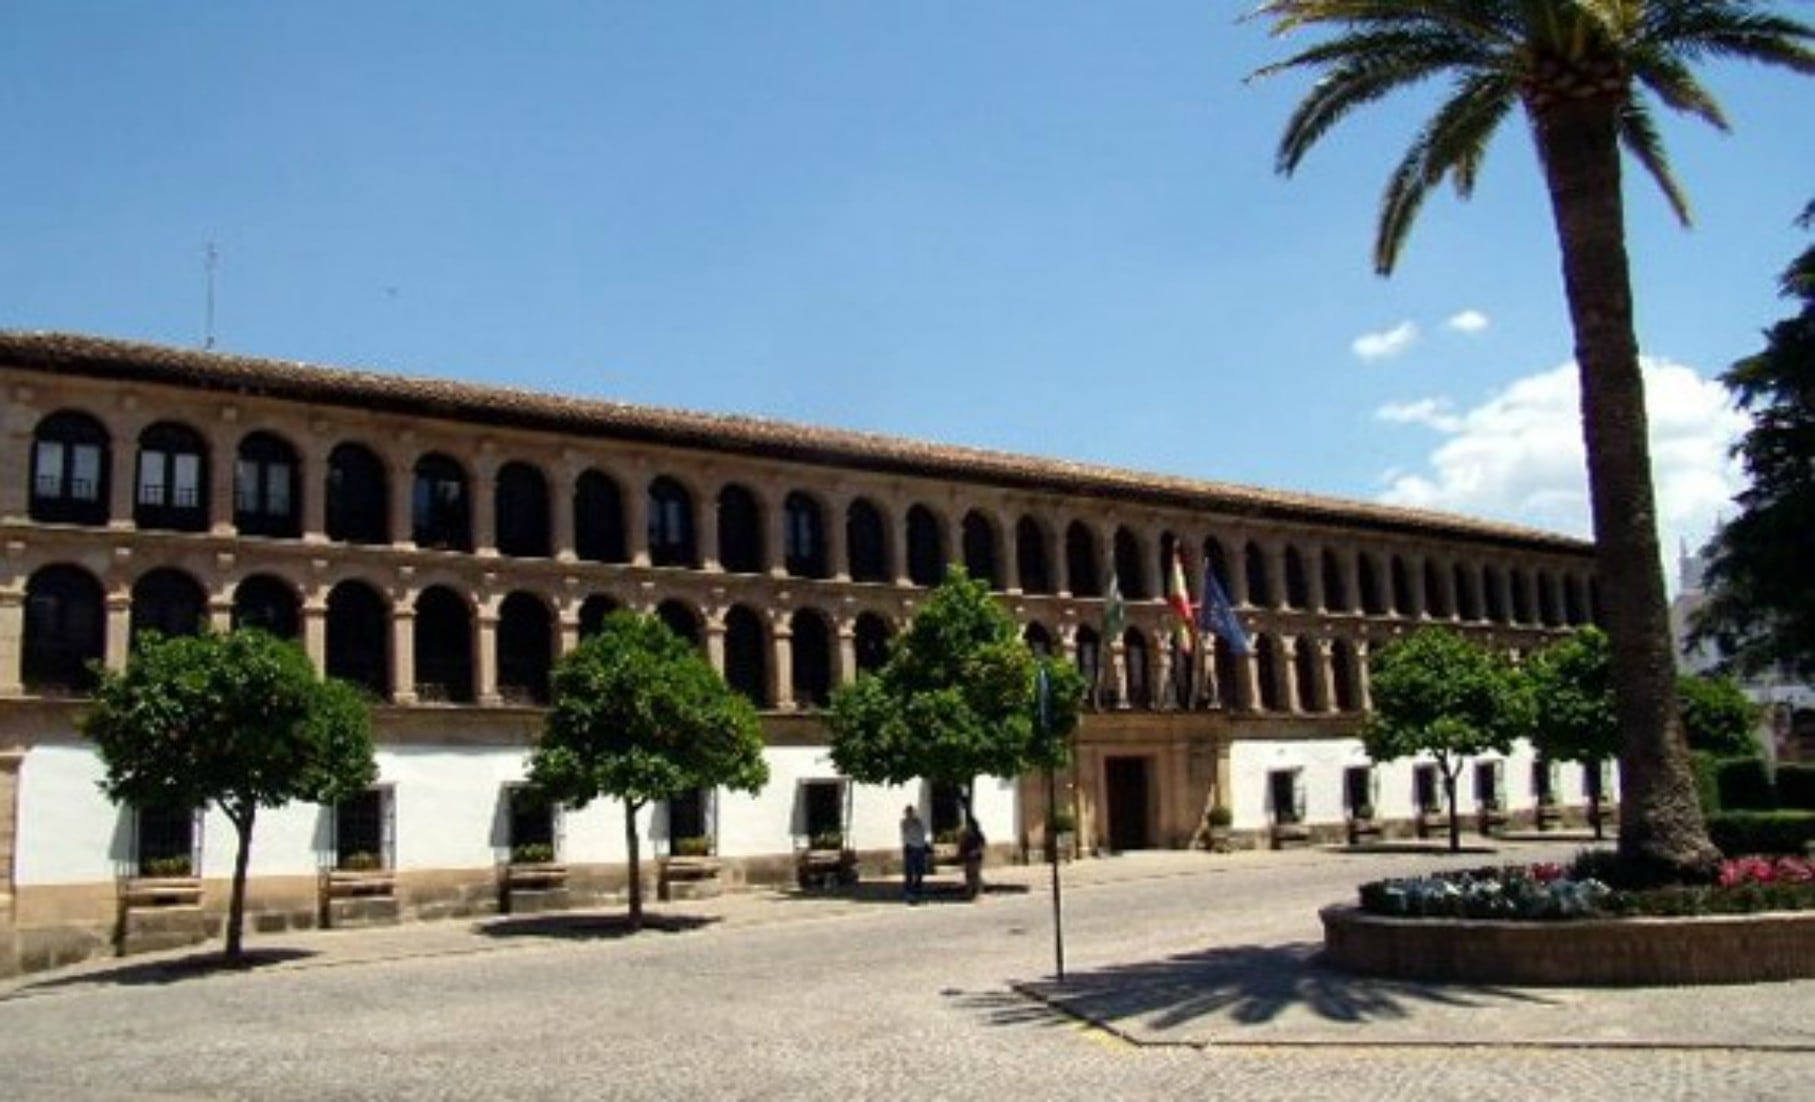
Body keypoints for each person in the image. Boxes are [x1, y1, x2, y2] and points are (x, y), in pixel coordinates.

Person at [899, 805, 928, 902]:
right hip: (910, 848)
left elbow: (922, 833)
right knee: (909, 871)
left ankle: (918, 889)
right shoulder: (904, 823)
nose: (910, 814)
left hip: (920, 848)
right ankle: (909, 891)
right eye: (908, 812)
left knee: (920, 870)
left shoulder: (918, 822)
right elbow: (905, 834)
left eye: (911, 812)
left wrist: (924, 845)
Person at [958, 816, 986, 901]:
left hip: (975, 858)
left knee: (974, 876)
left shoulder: (977, 834)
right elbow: (963, 845)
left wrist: (975, 852)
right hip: (969, 858)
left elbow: (981, 845)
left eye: (968, 825)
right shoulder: (966, 834)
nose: (967, 827)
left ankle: (976, 893)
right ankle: (970, 893)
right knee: (969, 876)